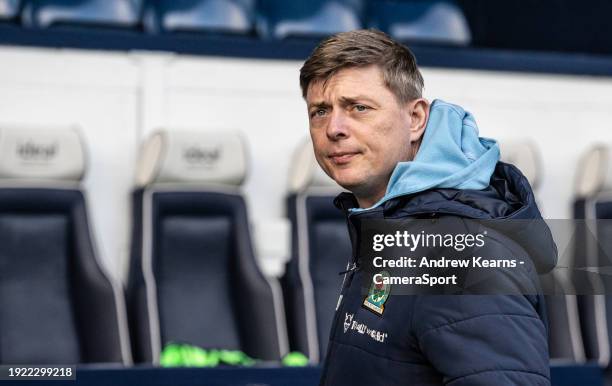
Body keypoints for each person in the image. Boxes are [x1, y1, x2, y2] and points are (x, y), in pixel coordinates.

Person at [299, 29, 557, 386]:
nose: (334, 128)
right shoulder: (389, 222)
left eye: (359, 107)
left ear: (417, 118)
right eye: (320, 111)